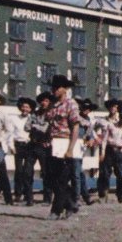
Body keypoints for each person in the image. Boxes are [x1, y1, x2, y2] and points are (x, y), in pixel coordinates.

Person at [44, 75, 81, 220]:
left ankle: (56, 210)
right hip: (53, 144)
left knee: (62, 178)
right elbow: (50, 125)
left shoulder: (71, 104)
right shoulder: (53, 106)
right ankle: (71, 204)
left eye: (57, 87)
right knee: (51, 178)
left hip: (65, 142)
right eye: (53, 87)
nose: (54, 90)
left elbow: (75, 127)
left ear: (64, 89)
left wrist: (70, 149)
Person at [9, 96, 35, 205]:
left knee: (28, 171)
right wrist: (11, 146)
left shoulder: (33, 119)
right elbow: (10, 133)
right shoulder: (14, 119)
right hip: (18, 146)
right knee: (19, 171)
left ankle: (28, 195)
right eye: (23, 107)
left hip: (29, 146)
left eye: (27, 107)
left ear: (30, 109)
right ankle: (18, 194)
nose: (25, 109)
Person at [28, 91, 54, 204]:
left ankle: (47, 198)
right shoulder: (35, 113)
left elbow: (45, 129)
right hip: (33, 144)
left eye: (46, 101)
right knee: (27, 171)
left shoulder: (51, 114)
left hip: (45, 145)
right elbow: (26, 126)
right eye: (42, 101)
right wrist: (36, 126)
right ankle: (28, 198)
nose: (44, 103)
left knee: (46, 172)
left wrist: (34, 126)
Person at [73, 98, 96, 206]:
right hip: (71, 144)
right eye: (84, 107)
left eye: (88, 108)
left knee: (78, 172)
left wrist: (90, 139)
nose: (86, 110)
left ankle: (81, 196)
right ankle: (81, 196)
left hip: (80, 147)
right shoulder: (75, 116)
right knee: (77, 173)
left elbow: (90, 134)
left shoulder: (89, 121)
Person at [96, 98, 119, 201]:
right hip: (108, 148)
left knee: (120, 173)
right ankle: (103, 192)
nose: (112, 108)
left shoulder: (120, 120)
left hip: (119, 148)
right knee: (105, 172)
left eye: (114, 106)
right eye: (110, 106)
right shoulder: (104, 120)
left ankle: (120, 194)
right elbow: (95, 130)